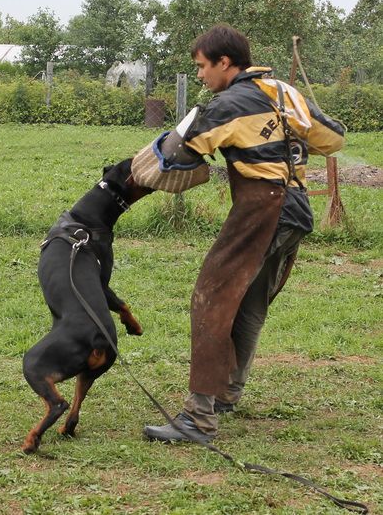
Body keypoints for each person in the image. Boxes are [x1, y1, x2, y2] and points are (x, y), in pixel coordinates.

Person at [142, 24, 344, 442]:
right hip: (296, 210)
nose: (200, 75)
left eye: (202, 66)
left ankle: (198, 419)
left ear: (225, 62)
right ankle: (227, 393)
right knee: (250, 303)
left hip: (261, 210)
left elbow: (179, 152)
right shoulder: (284, 92)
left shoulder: (229, 103)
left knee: (212, 299)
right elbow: (333, 139)